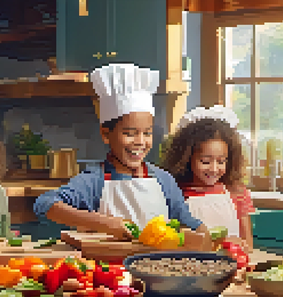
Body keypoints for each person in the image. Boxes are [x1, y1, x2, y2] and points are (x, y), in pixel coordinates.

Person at [33, 63, 207, 242]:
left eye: (147, 133)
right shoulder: (94, 181)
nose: (140, 141)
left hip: (157, 267)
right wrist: (104, 223)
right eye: (130, 134)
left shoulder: (164, 181)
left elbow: (188, 222)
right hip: (108, 267)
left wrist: (215, 237)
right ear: (106, 134)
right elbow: (45, 204)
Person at [161, 105, 254, 252]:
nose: (214, 169)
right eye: (205, 161)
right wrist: (220, 242)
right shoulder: (176, 192)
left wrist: (236, 246)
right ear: (187, 158)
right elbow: (175, 241)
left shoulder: (236, 192)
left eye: (221, 161)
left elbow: (248, 245)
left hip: (232, 264)